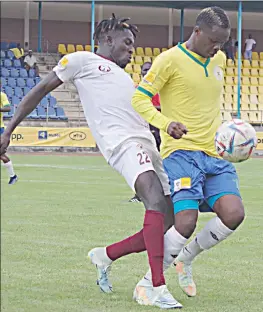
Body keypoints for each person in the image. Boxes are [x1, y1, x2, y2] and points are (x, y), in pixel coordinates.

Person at [0, 14, 188, 309]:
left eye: (133, 45)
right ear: (107, 40)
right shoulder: (82, 61)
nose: (131, 49)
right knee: (153, 201)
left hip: (148, 145)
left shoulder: (125, 77)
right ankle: (155, 287)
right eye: (127, 43)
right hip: (121, 144)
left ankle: (105, 255)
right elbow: (38, 92)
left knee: (169, 222)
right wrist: (8, 130)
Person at [132, 6, 245, 298]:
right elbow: (139, 98)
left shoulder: (219, 58)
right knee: (185, 221)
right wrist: (165, 123)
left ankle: (187, 257)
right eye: (212, 40)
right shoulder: (169, 60)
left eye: (222, 41)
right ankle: (148, 284)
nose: (217, 47)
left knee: (233, 214)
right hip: (181, 153)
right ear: (196, 32)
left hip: (215, 155)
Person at [129, 61, 161, 203]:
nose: (146, 72)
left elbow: (162, 107)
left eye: (149, 70)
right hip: (141, 130)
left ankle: (163, 192)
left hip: (158, 131)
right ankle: (139, 195)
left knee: (159, 163)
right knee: (141, 164)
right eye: (144, 70)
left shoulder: (157, 89)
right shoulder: (136, 89)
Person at [0, 92, 18, 185]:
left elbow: (8, 108)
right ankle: (13, 176)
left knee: (1, 154)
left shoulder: (1, 95)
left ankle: (13, 176)